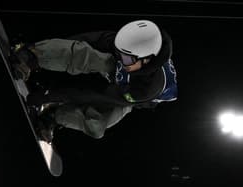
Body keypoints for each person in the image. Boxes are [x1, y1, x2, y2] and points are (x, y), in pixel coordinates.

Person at [10, 19, 178, 142]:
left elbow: (95, 95)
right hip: (129, 77)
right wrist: (38, 52)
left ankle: (53, 116)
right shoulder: (128, 41)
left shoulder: (145, 90)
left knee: (97, 128)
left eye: (127, 58)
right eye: (121, 52)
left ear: (144, 62)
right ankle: (31, 56)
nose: (122, 57)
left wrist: (50, 96)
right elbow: (86, 41)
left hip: (132, 95)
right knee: (97, 59)